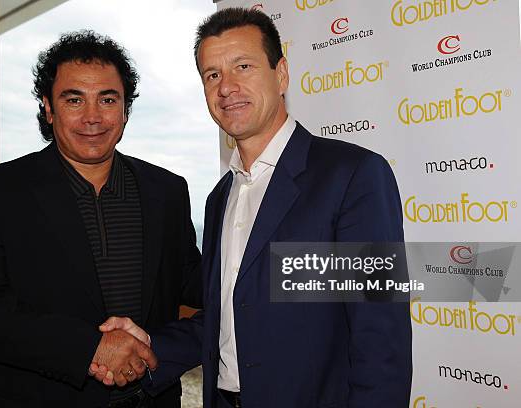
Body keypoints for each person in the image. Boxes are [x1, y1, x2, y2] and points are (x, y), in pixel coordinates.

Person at [95, 7, 413, 408]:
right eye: (212, 75)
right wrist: (148, 346)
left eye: (242, 66)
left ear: (281, 74)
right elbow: (227, 317)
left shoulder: (351, 177)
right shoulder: (218, 198)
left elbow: (380, 339)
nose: (226, 87)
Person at [0, 30, 202, 408]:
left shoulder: (167, 191)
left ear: (126, 108)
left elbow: (196, 282)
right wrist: (89, 348)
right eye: (74, 99)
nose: (92, 117)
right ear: (48, 108)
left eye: (108, 99)